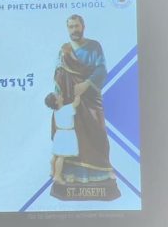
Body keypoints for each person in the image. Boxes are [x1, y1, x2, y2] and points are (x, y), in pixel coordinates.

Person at [53, 14, 119, 193]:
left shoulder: (94, 46)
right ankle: (72, 174)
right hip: (69, 99)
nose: (74, 29)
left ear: (83, 27)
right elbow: (58, 74)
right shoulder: (64, 50)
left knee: (97, 132)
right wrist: (58, 98)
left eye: (77, 26)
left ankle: (101, 171)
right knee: (73, 137)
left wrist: (86, 84)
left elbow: (101, 69)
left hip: (90, 98)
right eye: (71, 27)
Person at [44, 91, 80, 185]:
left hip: (59, 134)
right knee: (61, 157)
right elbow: (76, 103)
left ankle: (52, 171)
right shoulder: (66, 109)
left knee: (55, 155)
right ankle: (57, 176)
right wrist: (78, 94)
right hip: (66, 134)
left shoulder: (56, 111)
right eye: (58, 95)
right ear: (56, 101)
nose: (60, 95)